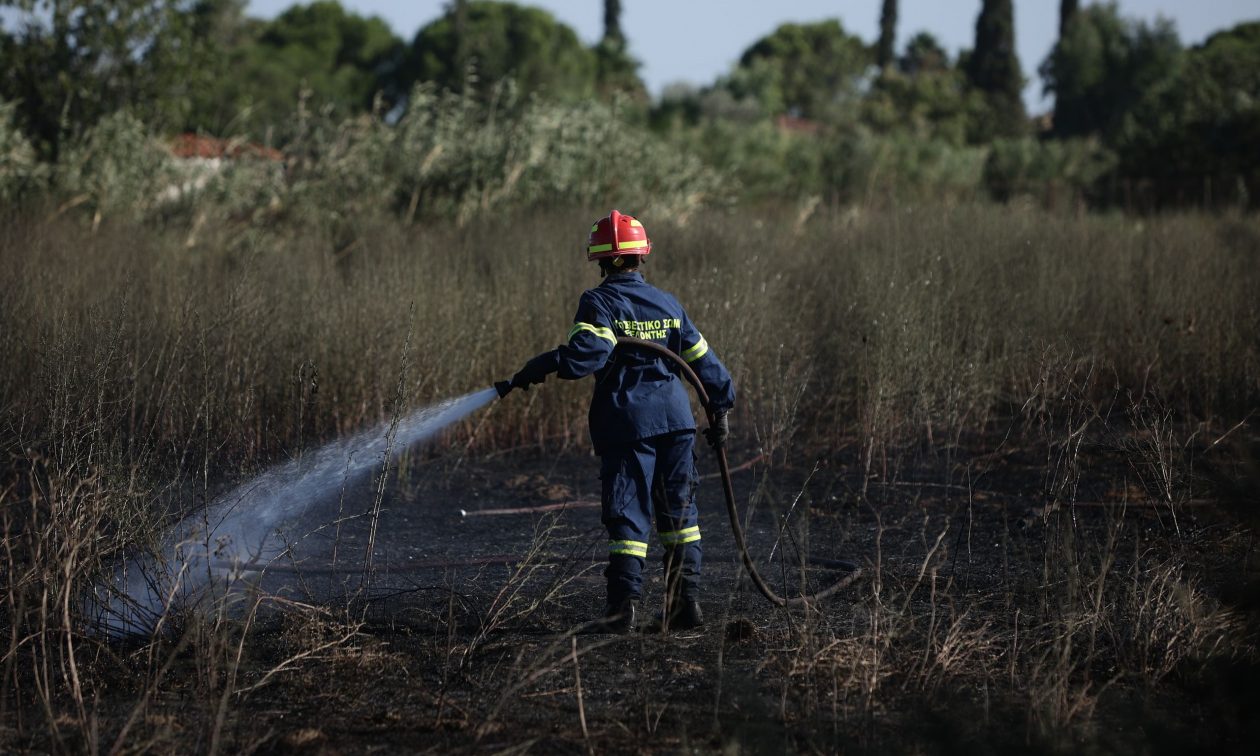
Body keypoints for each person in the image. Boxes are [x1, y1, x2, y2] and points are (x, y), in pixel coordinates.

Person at [498, 210, 735, 633]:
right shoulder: (668, 303)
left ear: (603, 261)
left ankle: (621, 610)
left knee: (628, 516)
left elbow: (587, 355)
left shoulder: (600, 301)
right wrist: (721, 407)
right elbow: (705, 363)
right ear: (641, 256)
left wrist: (547, 364)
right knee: (680, 513)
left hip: (629, 424)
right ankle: (685, 605)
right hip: (677, 422)